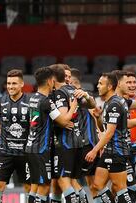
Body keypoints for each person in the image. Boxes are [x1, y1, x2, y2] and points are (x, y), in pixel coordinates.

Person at [85, 72, 136, 203]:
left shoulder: (116, 103)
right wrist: (98, 118)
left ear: (110, 86)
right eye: (128, 82)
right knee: (97, 185)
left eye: (100, 84)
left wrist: (95, 150)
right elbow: (105, 127)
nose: (97, 86)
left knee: (121, 188)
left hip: (117, 151)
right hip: (110, 150)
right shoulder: (114, 101)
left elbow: (109, 132)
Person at [26, 67, 77, 203]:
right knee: (44, 187)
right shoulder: (46, 102)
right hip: (41, 149)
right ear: (50, 81)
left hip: (31, 146)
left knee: (35, 186)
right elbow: (63, 120)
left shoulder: (32, 98)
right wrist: (73, 106)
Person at [49, 64, 96, 203]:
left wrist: (61, 121)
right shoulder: (67, 92)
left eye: (69, 76)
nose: (68, 79)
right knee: (59, 182)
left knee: (64, 180)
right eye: (66, 76)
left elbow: (65, 118)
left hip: (66, 143)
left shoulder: (70, 92)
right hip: (71, 142)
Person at [0, 69, 31, 203]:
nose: (11, 86)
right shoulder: (0, 101)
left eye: (14, 83)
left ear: (22, 84)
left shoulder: (31, 101)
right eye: (8, 83)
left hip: (25, 152)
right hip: (4, 151)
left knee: (29, 187)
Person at [70, 68, 99, 203]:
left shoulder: (85, 96)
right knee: (69, 179)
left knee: (94, 185)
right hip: (73, 145)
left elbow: (95, 113)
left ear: (77, 84)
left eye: (70, 82)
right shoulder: (63, 97)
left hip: (88, 145)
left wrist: (98, 146)